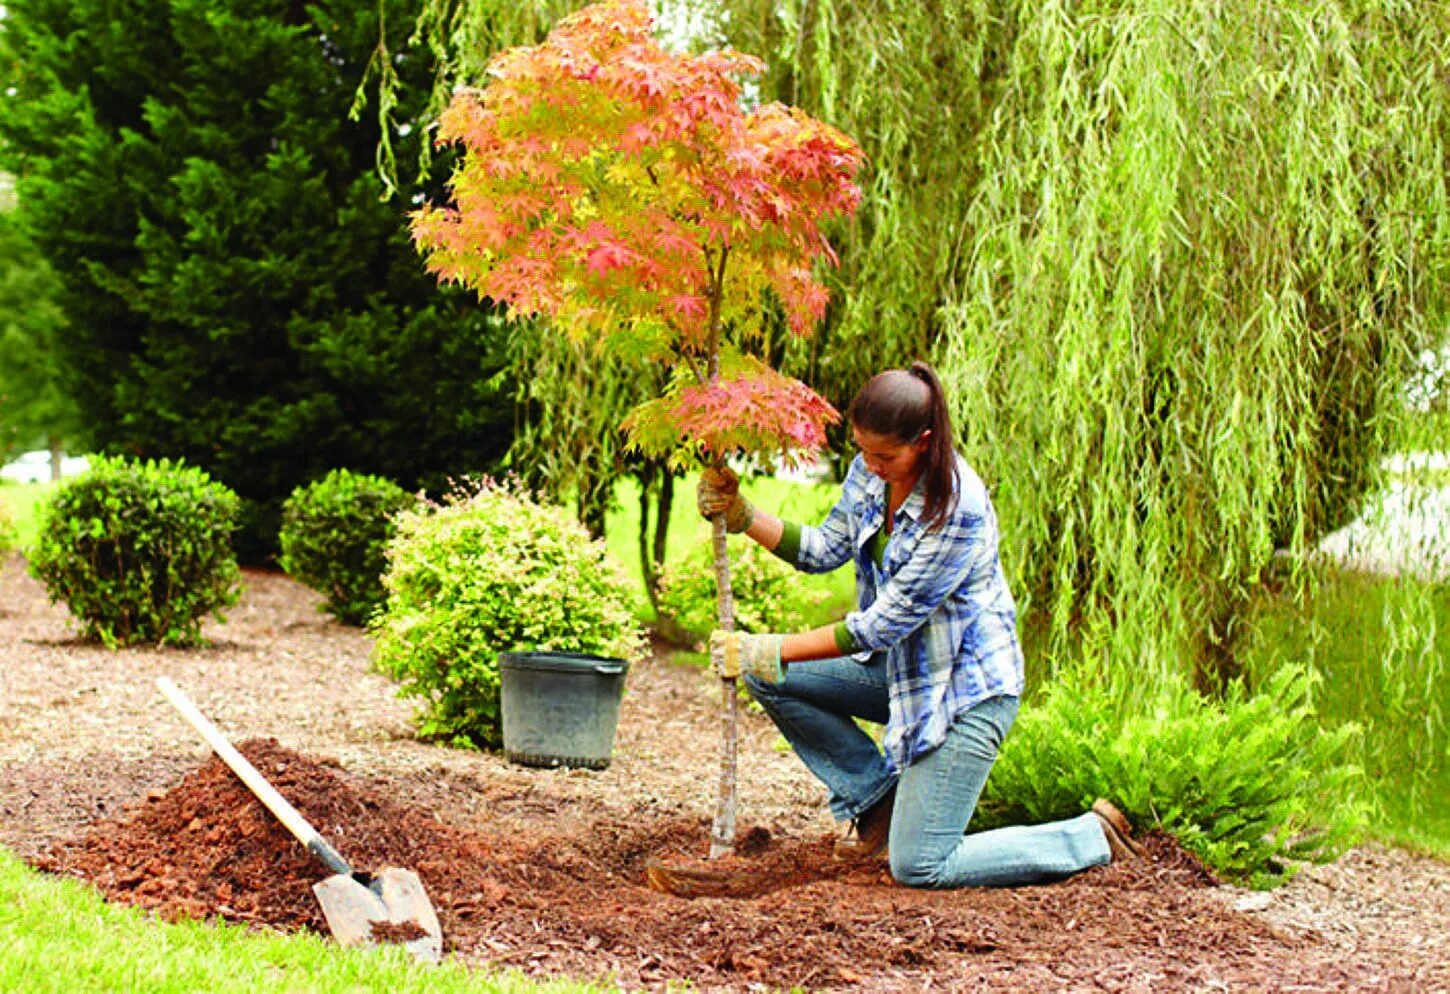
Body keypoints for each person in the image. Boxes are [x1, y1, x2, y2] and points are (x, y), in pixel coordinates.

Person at [698, 361, 1141, 889]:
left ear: (925, 441)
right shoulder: (871, 473)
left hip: (963, 693)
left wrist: (769, 646)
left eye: (884, 455)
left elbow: (878, 628)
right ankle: (878, 804)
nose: (870, 464)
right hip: (902, 676)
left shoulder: (957, 508)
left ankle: (1088, 837)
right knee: (769, 677)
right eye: (862, 450)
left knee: (921, 865)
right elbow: (823, 550)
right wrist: (744, 514)